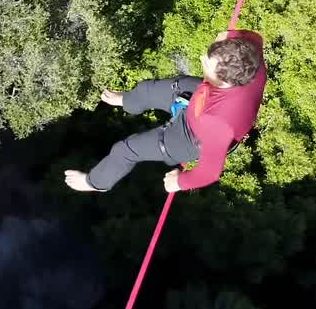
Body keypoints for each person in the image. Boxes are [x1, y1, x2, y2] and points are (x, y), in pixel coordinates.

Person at [64, 30, 267, 193]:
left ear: (223, 81)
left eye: (206, 64)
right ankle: (127, 101)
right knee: (146, 89)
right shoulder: (250, 52)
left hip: (191, 136)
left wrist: (180, 182)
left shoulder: (219, 123)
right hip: (201, 98)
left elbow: (209, 173)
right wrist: (221, 44)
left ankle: (95, 183)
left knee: (125, 151)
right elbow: (232, 36)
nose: (201, 59)